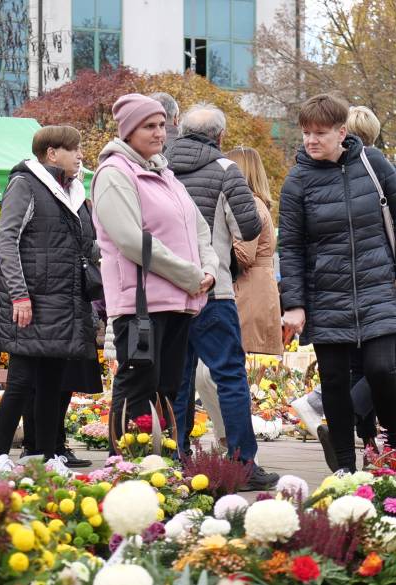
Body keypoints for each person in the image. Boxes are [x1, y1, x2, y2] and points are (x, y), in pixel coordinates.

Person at [279, 93, 396, 474]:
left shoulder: (374, 164)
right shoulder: (298, 181)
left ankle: (390, 440)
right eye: (306, 132)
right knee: (336, 380)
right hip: (326, 295)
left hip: (378, 287)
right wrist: (294, 303)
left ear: (342, 132)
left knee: (380, 370)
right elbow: (289, 245)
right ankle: (343, 465)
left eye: (320, 133)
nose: (311, 140)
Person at [92, 94, 218, 455]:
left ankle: (161, 463)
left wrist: (208, 268)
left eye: (163, 124)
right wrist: (190, 275)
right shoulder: (115, 174)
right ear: (129, 131)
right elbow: (133, 240)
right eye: (149, 126)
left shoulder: (165, 173)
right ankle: (128, 463)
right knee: (137, 384)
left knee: (168, 387)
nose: (160, 132)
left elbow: (199, 230)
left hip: (178, 301)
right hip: (140, 304)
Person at [167, 103, 277, 489]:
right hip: (215, 291)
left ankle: (176, 458)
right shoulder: (226, 170)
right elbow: (248, 226)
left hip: (169, 294)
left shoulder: (159, 168)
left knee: (177, 380)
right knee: (229, 376)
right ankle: (243, 464)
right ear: (219, 137)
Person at [0, 126, 99, 475]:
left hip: (66, 302)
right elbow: (6, 240)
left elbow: (89, 246)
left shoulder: (74, 193)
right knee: (21, 379)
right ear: (52, 153)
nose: (80, 155)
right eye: (74, 149)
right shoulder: (26, 184)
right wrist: (19, 293)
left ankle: (48, 455)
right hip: (33, 301)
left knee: (54, 380)